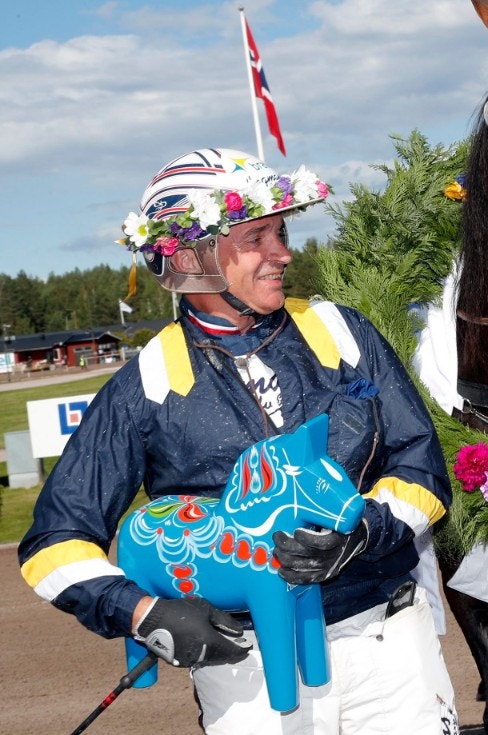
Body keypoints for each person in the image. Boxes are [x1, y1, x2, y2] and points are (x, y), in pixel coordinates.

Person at [19, 148, 459, 734]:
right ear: (190, 257)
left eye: (281, 232)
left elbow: (421, 465)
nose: (284, 253)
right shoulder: (143, 383)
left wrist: (364, 532)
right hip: (247, 669)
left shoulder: (341, 329)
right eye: (258, 238)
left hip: (387, 642)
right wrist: (146, 612)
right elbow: (53, 544)